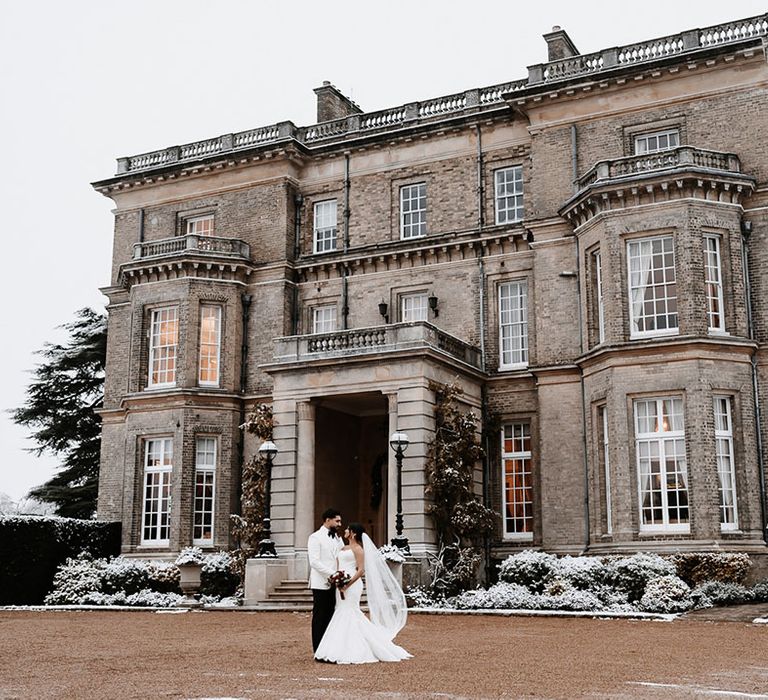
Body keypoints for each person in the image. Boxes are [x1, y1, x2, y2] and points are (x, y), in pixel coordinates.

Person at [314, 522, 411, 664]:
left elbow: (361, 570)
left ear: (353, 533)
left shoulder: (358, 549)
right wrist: (336, 580)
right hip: (340, 583)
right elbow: (337, 565)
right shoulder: (342, 547)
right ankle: (337, 647)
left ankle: (354, 649)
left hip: (352, 584)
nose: (345, 530)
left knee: (350, 611)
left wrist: (348, 584)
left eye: (348, 529)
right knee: (340, 610)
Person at [307, 508, 343, 653]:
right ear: (328, 520)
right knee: (320, 616)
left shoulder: (337, 538)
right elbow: (314, 562)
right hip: (320, 583)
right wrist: (333, 574)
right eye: (337, 521)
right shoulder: (315, 537)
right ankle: (318, 649)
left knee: (331, 615)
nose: (340, 524)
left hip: (335, 582)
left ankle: (328, 648)